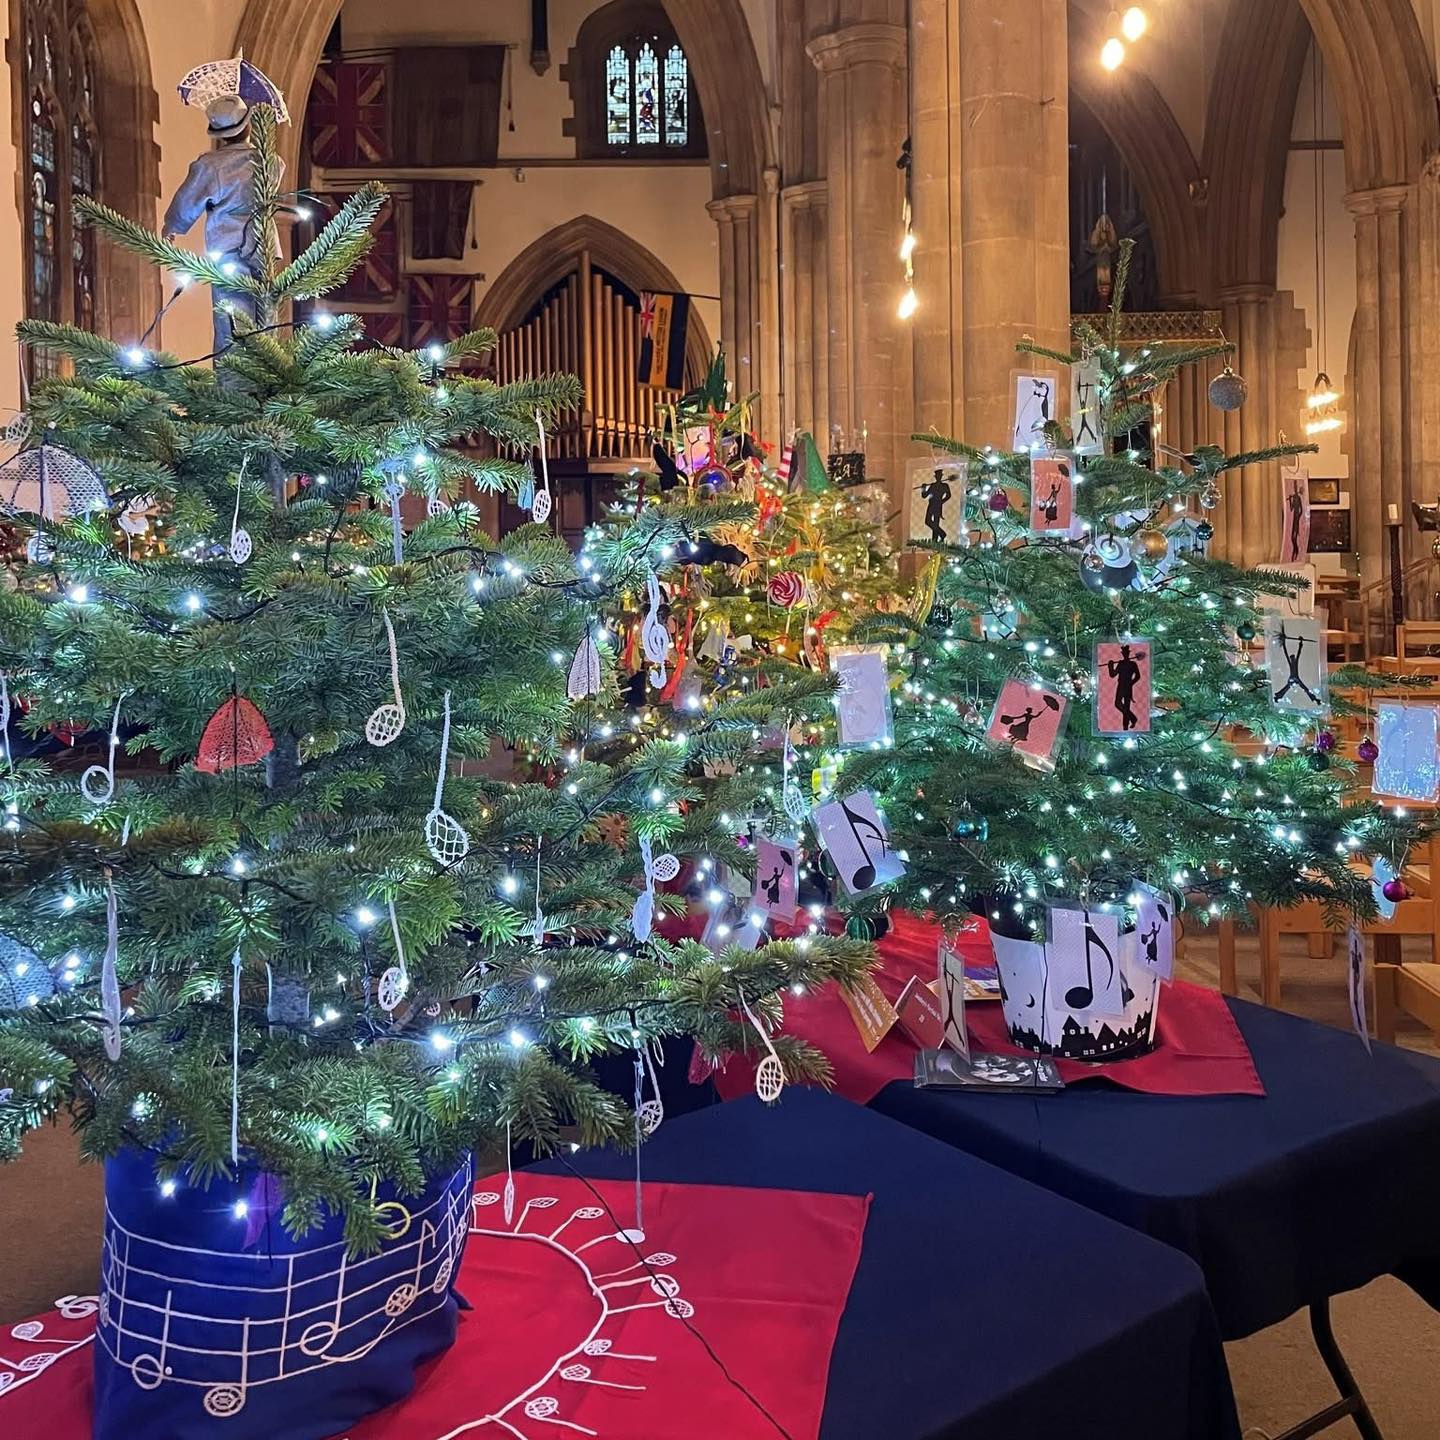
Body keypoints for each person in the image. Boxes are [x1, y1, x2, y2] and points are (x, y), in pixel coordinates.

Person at [163, 96, 283, 353]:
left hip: (228, 251)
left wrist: (171, 226)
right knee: (268, 320)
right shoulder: (271, 161)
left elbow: (187, 200)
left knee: (231, 323)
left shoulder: (211, 165)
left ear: (219, 135)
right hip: (265, 250)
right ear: (249, 125)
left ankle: (232, 384)